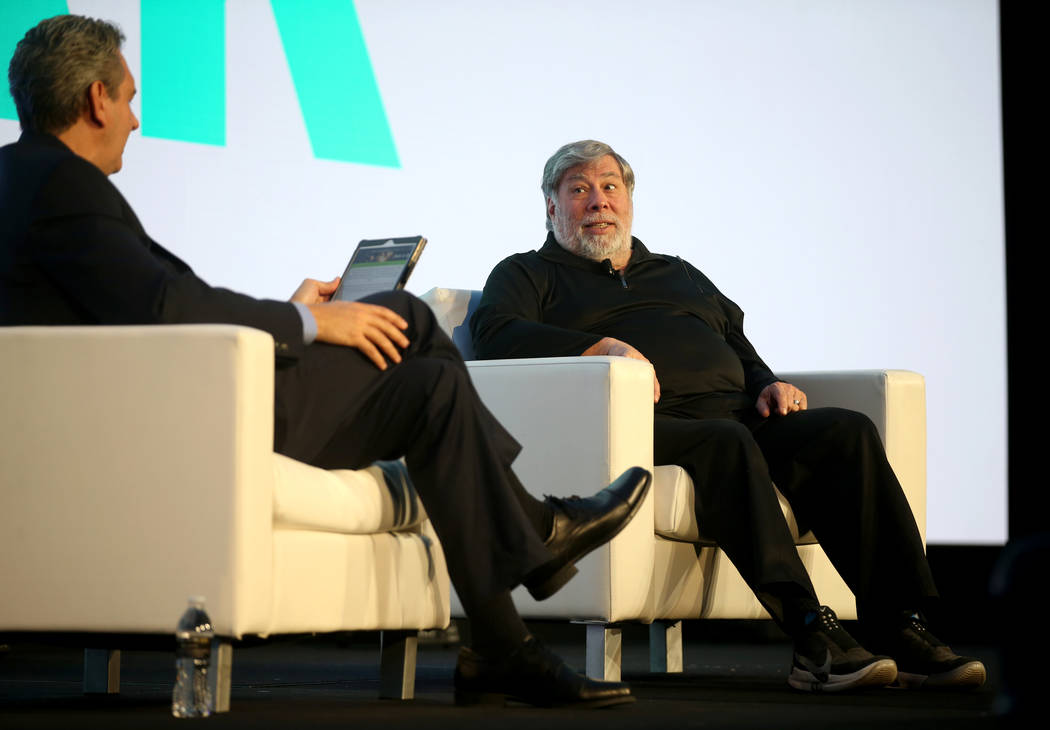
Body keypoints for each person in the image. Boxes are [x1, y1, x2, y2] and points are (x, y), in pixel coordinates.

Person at [0, 18, 653, 709]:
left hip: (170, 393)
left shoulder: (28, 179)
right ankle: (536, 532)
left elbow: (134, 302)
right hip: (186, 414)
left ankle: (503, 644)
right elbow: (165, 302)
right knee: (407, 317)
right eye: (130, 99)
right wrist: (312, 321)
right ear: (97, 98)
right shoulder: (61, 186)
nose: (134, 121)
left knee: (431, 383)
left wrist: (290, 311)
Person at [471, 139, 986, 693]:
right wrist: (601, 348)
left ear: (629, 201)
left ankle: (899, 625)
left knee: (846, 432)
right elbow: (497, 332)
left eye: (609, 187)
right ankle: (813, 636)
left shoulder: (677, 272)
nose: (598, 201)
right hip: (634, 428)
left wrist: (767, 384)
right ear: (552, 208)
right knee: (724, 442)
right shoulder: (527, 274)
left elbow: (734, 340)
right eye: (579, 190)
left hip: (737, 415)